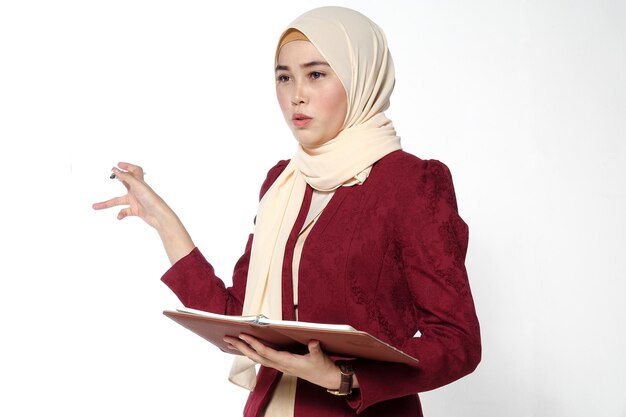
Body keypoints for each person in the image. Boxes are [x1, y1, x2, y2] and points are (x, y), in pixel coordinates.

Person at [93, 6, 481, 417]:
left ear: (360, 77)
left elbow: (458, 341)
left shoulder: (411, 183)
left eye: (316, 74)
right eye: (284, 77)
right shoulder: (283, 184)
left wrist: (342, 377)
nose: (296, 94)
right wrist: (161, 220)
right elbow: (239, 317)